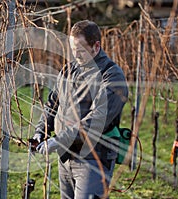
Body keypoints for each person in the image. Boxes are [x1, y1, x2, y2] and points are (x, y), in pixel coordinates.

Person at [29, 20, 129, 199]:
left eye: (80, 51)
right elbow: (53, 103)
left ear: (96, 46)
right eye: (73, 50)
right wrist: (41, 131)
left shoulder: (112, 76)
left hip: (93, 159)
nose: (76, 55)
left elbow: (97, 119)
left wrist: (59, 141)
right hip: (66, 158)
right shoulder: (69, 70)